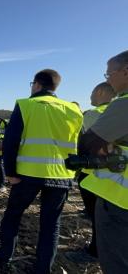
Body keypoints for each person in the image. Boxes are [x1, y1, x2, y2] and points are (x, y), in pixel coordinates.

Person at [0, 69, 83, 273]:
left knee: (13, 216)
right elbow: (81, 143)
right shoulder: (73, 109)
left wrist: (10, 173)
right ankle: (43, 269)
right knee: (51, 224)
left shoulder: (26, 104)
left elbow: (10, 142)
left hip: (28, 175)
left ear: (36, 85)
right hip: (61, 176)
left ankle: (4, 258)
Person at [78, 50, 128, 273]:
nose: (108, 79)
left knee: (116, 262)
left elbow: (88, 143)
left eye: (109, 74)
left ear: (125, 71)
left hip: (119, 201)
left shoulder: (122, 105)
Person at [72, 82, 116, 261]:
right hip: (114, 173)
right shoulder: (118, 112)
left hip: (93, 174)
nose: (89, 96)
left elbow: (77, 142)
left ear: (100, 92)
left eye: (91, 92)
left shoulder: (92, 115)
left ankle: (95, 252)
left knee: (97, 217)